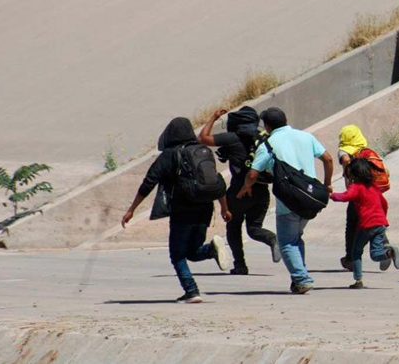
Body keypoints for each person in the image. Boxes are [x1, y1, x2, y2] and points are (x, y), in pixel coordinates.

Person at [121, 117, 232, 303]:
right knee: (193, 252)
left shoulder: (170, 154)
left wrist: (132, 209)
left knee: (177, 255)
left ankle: (191, 291)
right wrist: (224, 209)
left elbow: (149, 182)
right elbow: (216, 181)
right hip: (205, 209)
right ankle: (212, 249)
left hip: (183, 210)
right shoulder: (202, 151)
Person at [237, 107, 334, 294]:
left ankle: (302, 279)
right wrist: (327, 183)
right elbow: (328, 159)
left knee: (287, 242)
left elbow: (252, 174)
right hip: (310, 199)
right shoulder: (306, 137)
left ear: (267, 126)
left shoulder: (268, 144)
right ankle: (298, 279)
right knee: (296, 238)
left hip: (288, 203)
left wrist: (246, 187)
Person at [197, 106, 279, 275]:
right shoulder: (263, 138)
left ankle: (240, 265)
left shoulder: (232, 138)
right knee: (254, 228)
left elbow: (203, 138)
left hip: (239, 192)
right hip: (262, 191)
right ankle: (272, 239)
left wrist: (213, 118)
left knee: (233, 228)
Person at [331, 157, 399, 289]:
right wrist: (382, 220)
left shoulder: (357, 187)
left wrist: (331, 195)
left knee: (356, 252)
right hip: (380, 224)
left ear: (354, 174)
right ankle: (389, 253)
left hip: (366, 225)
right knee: (375, 254)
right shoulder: (374, 187)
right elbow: (384, 204)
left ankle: (358, 280)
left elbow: (346, 196)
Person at [336, 124, 369, 271]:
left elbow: (345, 160)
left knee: (352, 225)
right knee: (373, 220)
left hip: (356, 194)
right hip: (372, 192)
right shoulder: (366, 150)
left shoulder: (345, 153)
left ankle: (350, 258)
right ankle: (384, 248)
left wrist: (349, 173)